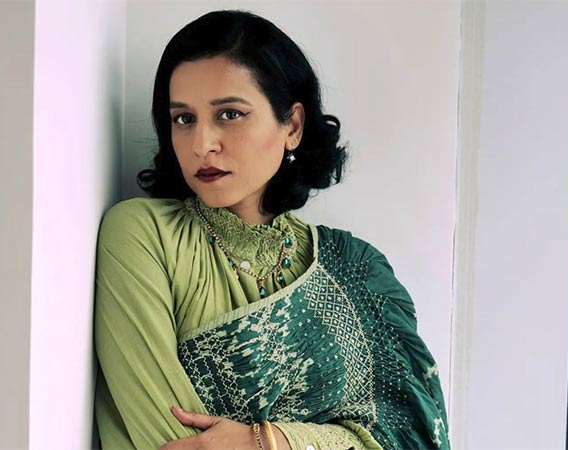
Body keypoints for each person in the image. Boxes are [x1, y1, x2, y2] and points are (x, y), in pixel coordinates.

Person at [94, 9, 450, 450]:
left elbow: (408, 437)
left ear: (293, 126)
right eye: (183, 119)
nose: (202, 144)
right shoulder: (144, 237)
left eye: (229, 114)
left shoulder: (357, 271)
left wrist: (268, 440)